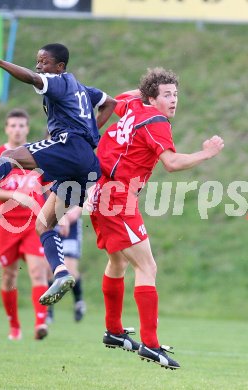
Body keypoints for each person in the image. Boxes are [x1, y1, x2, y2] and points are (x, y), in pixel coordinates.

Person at [0, 43, 116, 307]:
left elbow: (31, 78)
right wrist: (91, 134)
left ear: (59, 67)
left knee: (10, 157)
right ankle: (61, 274)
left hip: (69, 145)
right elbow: (110, 103)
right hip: (88, 163)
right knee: (44, 224)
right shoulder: (80, 88)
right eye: (37, 61)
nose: (39, 66)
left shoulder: (56, 82)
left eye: (44, 62)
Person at [88, 67, 224, 370]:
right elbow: (172, 163)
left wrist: (141, 92)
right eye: (166, 95)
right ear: (152, 97)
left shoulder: (132, 105)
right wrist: (207, 153)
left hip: (99, 191)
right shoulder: (156, 120)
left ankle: (113, 330)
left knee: (118, 262)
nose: (174, 100)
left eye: (175, 94)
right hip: (118, 197)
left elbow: (115, 100)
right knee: (147, 266)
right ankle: (150, 344)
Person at [0, 108, 49, 340]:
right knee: (9, 276)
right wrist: (14, 196)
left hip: (33, 224)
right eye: (13, 125)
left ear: (27, 128)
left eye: (21, 125)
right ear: (6, 128)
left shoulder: (36, 154)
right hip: (6, 226)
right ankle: (14, 326)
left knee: (37, 271)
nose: (17, 130)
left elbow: (49, 184)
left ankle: (41, 324)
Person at [47, 206, 86, 323]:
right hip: (51, 222)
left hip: (71, 227)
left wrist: (72, 214)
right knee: (49, 269)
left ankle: (78, 301)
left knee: (70, 271)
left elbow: (84, 197)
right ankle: (48, 310)